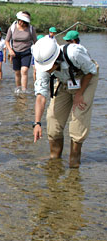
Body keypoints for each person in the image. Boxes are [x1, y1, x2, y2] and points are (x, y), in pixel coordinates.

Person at [32, 34, 99, 168]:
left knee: (78, 120)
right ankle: (55, 160)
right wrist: (37, 123)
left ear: (56, 60)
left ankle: (74, 164)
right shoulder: (42, 65)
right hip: (63, 81)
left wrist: (80, 94)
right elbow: (40, 96)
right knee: (53, 122)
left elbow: (91, 71)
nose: (45, 70)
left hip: (85, 77)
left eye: (48, 67)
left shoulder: (74, 53)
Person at [5, 11, 37, 94]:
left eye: (24, 22)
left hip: (26, 52)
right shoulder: (12, 27)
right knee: (17, 72)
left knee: (24, 71)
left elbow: (35, 42)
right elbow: (7, 41)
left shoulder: (30, 28)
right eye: (21, 21)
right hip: (15, 52)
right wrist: (10, 50)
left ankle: (24, 90)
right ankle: (18, 88)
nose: (22, 23)